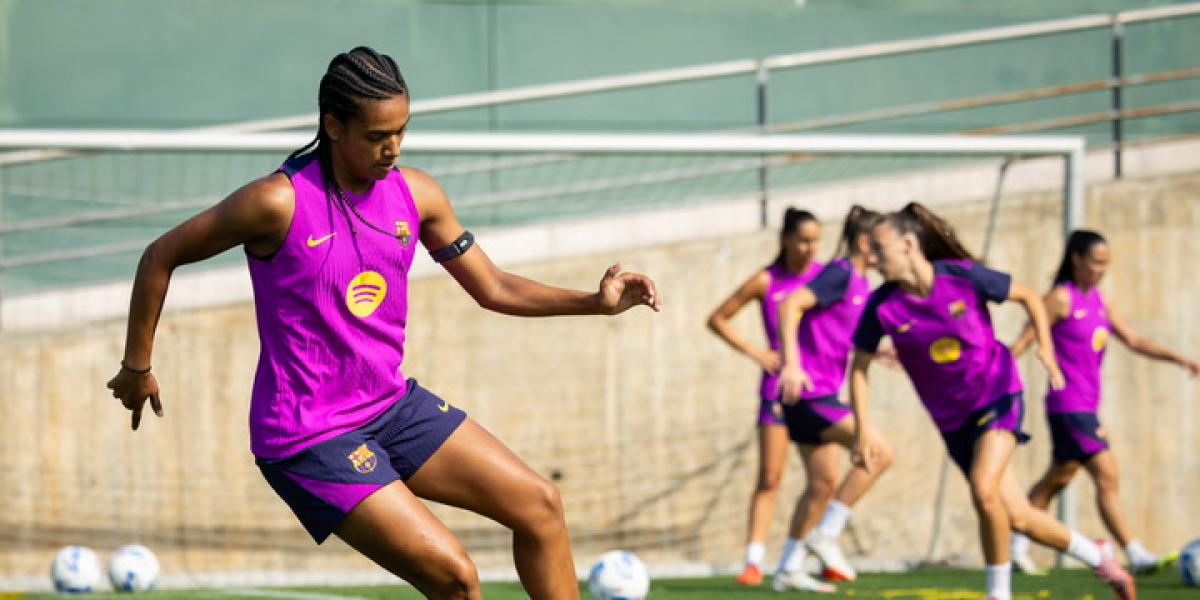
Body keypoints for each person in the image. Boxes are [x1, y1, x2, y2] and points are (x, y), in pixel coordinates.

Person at [105, 47, 660, 600]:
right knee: (456, 578)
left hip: (391, 406)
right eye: (375, 135)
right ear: (333, 126)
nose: (391, 148)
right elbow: (161, 254)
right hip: (309, 435)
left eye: (401, 131)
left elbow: (494, 287)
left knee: (540, 506)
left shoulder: (416, 194)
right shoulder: (277, 201)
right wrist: (138, 365)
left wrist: (595, 301)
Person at [849, 203, 1136, 600]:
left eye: (879, 249)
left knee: (984, 489)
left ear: (909, 245)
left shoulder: (964, 278)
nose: (872, 259)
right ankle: (1099, 556)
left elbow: (1030, 297)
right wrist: (863, 428)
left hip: (997, 394)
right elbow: (859, 369)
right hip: (952, 420)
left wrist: (1047, 350)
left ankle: (998, 594)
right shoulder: (881, 306)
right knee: (1017, 516)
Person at [1008, 230, 1198, 576]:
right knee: (1107, 473)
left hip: (1087, 405)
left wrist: (1178, 358)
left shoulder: (1098, 299)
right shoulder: (1060, 298)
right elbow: (1024, 340)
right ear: (1076, 258)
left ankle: (1017, 544)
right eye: (1095, 261)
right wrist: (996, 378)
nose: (1100, 269)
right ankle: (1136, 553)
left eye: (1106, 264)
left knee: (1058, 478)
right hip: (1067, 404)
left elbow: (1134, 339)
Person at [770, 205, 895, 593]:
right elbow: (789, 304)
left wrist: (886, 353)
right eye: (884, 240)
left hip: (817, 395)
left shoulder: (859, 284)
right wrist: (791, 364)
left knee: (822, 484)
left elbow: (836, 333)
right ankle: (827, 533)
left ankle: (788, 567)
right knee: (880, 452)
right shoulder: (841, 272)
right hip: (809, 393)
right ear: (864, 241)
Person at [706, 208, 823, 585]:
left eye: (816, 240)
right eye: (804, 240)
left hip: (818, 389)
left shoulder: (825, 279)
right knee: (769, 477)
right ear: (786, 239)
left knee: (823, 478)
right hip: (776, 390)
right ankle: (753, 561)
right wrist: (756, 352)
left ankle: (803, 553)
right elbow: (718, 318)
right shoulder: (765, 280)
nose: (810, 248)